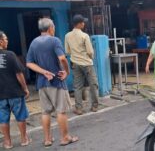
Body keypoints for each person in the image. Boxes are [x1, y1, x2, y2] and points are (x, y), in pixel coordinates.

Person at [26, 18, 78, 147]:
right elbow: (62, 58)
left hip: (42, 83)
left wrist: (43, 72)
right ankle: (65, 137)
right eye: (53, 27)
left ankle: (47, 139)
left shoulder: (34, 42)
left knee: (45, 112)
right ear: (50, 28)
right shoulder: (54, 40)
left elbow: (29, 63)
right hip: (56, 81)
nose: (54, 29)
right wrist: (67, 71)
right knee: (61, 111)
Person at [0, 31, 31, 149]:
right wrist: (25, 88)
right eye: (5, 39)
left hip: (0, 95)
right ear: (0, 41)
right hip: (15, 93)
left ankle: (7, 142)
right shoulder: (10, 54)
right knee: (20, 116)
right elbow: (19, 74)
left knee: (3, 119)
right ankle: (24, 139)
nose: (7, 41)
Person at [65, 14, 99, 115]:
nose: (84, 24)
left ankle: (79, 108)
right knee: (93, 84)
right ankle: (94, 106)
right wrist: (91, 58)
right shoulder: (84, 36)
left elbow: (67, 51)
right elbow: (90, 51)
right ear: (79, 24)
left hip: (75, 63)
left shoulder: (67, 35)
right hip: (87, 63)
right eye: (83, 22)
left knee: (77, 86)